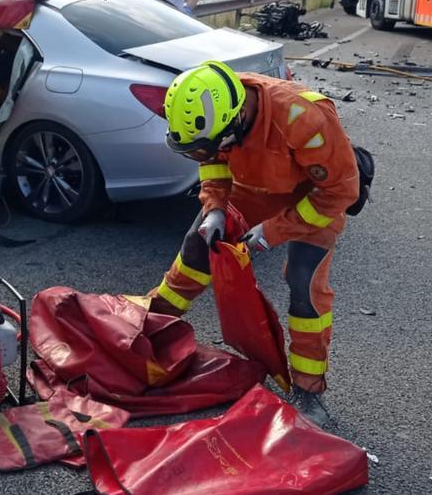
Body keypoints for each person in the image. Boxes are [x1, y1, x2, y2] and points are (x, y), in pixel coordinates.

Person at [150, 60, 359, 426]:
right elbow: (214, 161)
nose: (208, 153)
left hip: (311, 198)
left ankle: (309, 392)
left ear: (238, 120)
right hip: (252, 188)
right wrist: (215, 208)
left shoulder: (303, 119)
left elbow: (340, 191)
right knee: (197, 245)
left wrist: (274, 231)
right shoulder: (214, 113)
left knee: (303, 284)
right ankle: (153, 328)